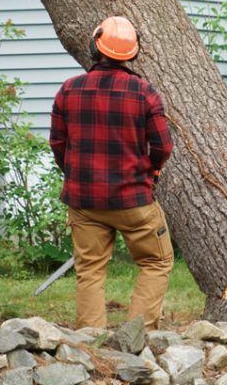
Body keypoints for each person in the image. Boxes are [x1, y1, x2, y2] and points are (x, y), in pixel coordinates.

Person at [50, 16, 174, 330]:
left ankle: (90, 342)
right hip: (133, 199)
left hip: (84, 200)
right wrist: (152, 173)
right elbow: (163, 146)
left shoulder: (69, 89)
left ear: (95, 47)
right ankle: (138, 335)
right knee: (157, 262)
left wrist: (76, 174)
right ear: (132, 53)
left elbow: (58, 143)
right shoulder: (144, 93)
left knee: (89, 270)